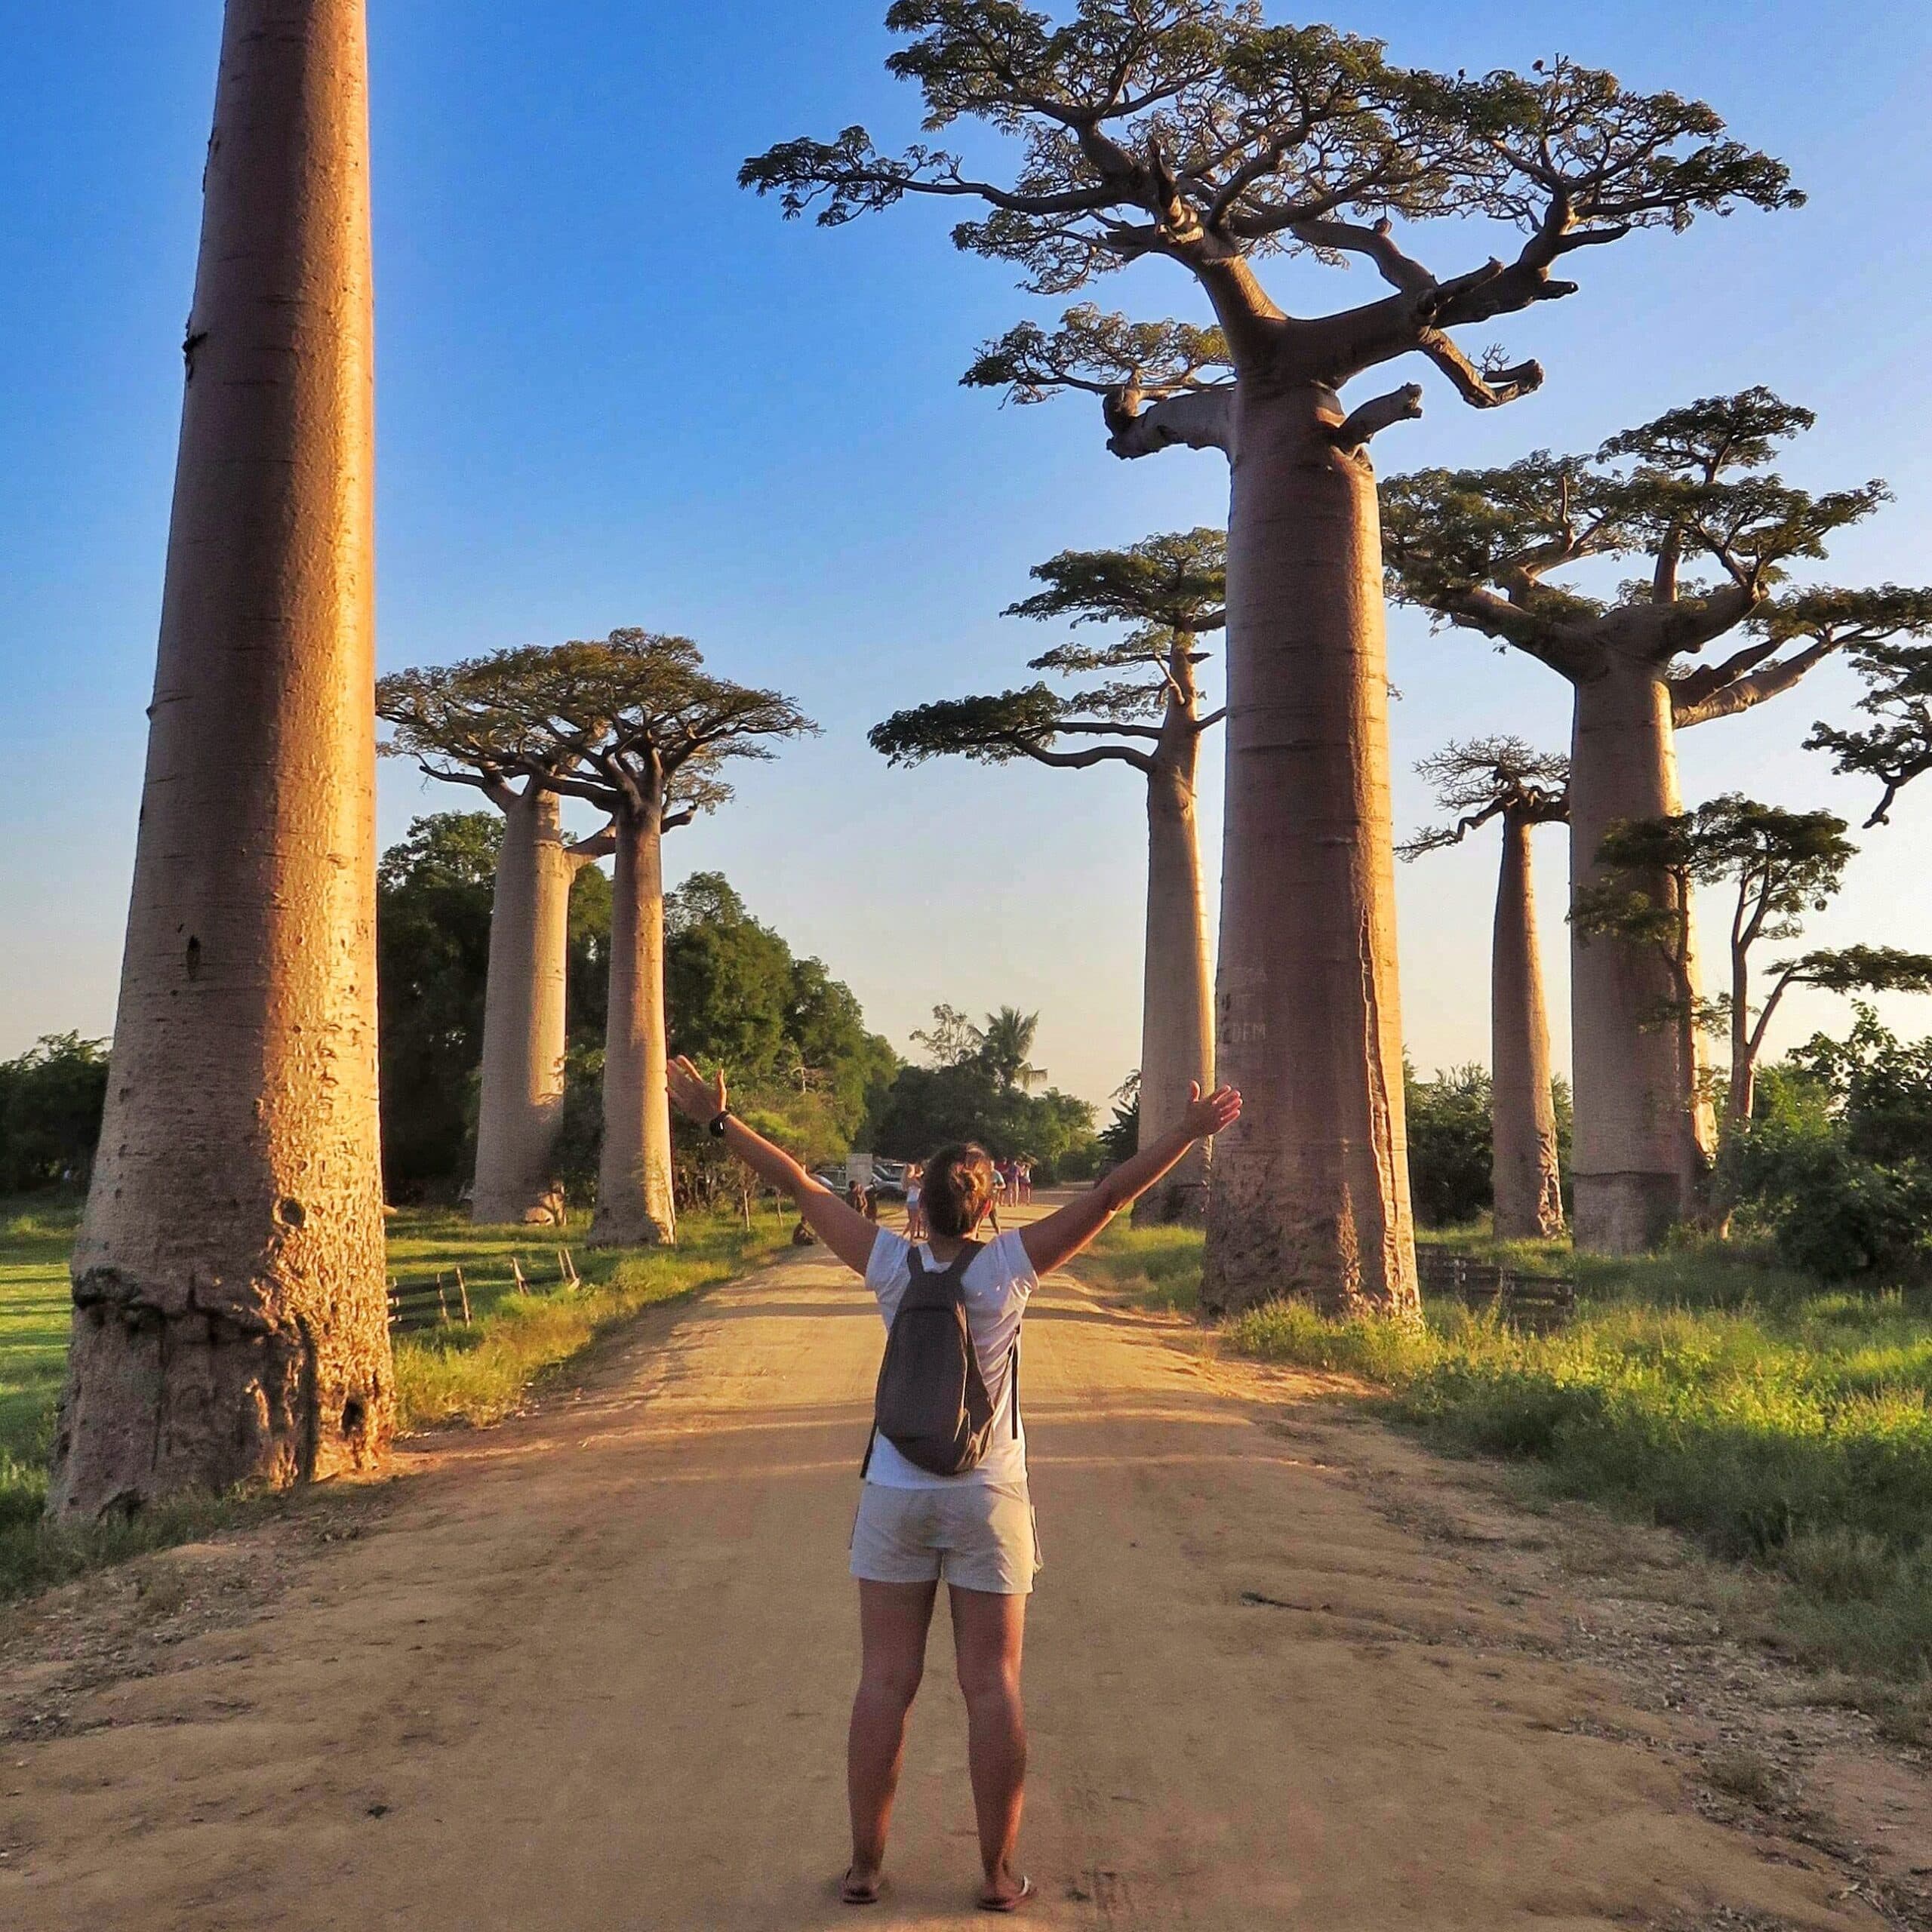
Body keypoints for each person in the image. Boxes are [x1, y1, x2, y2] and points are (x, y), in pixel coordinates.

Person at [666, 1054, 1241, 1914]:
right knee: (992, 1684)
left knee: (883, 1681)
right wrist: (1187, 1136)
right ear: (991, 1205)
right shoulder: (1008, 1266)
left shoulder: (889, 1267)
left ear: (914, 1205)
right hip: (987, 1494)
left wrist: (719, 1121)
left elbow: (796, 1182)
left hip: (895, 1491)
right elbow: (1112, 1193)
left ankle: (864, 1866)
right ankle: (999, 1875)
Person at [903, 1162, 924, 1241]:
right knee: (914, 1222)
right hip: (915, 1201)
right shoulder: (913, 1179)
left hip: (910, 1200)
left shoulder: (907, 1180)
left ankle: (903, 1235)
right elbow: (921, 1187)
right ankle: (911, 1239)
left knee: (911, 1221)